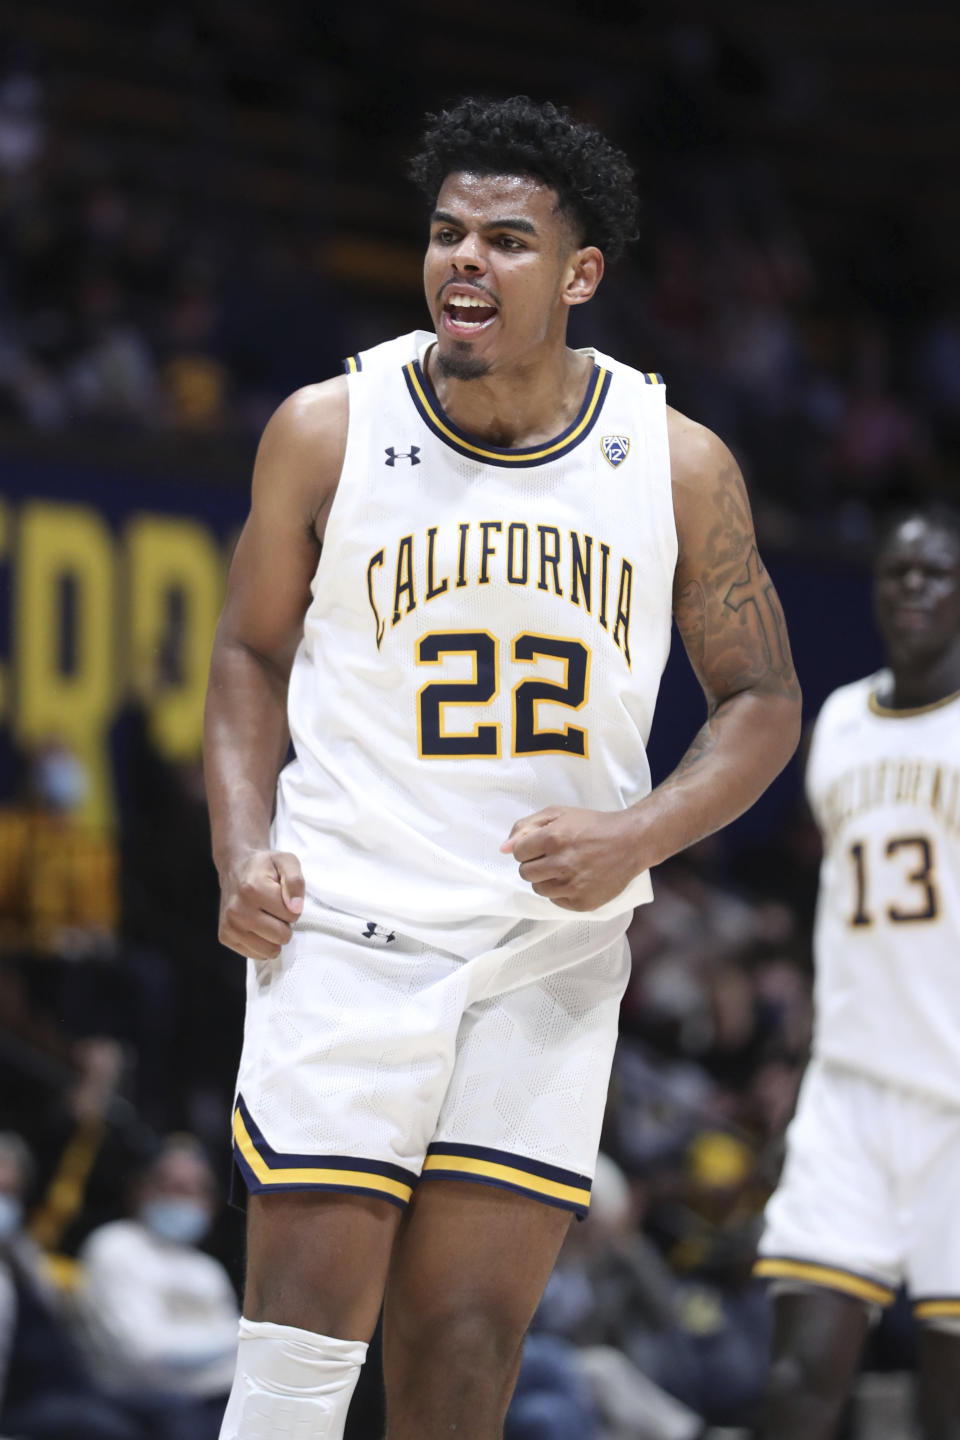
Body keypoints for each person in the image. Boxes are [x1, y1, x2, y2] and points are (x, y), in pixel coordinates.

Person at [204, 95, 801, 1440]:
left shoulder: (680, 464)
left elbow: (761, 699)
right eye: (445, 233)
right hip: (349, 927)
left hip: (548, 951)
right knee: (299, 1363)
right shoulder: (328, 427)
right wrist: (241, 850)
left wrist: (638, 833)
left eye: (508, 240)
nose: (463, 260)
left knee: (467, 1357)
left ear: (581, 273)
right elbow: (246, 659)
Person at [755, 505, 960, 1439]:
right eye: (896, 573)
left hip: (955, 1095)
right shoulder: (837, 720)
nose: (912, 589)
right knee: (799, 1374)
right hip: (849, 1091)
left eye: (935, 573)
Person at [73, 1135, 237, 1440]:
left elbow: (238, 1360)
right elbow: (146, 1351)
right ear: (142, 1190)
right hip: (134, 1402)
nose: (183, 1199)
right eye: (173, 1187)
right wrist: (234, 1335)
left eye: (195, 1191)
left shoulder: (208, 1270)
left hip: (211, 1401)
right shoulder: (114, 1246)